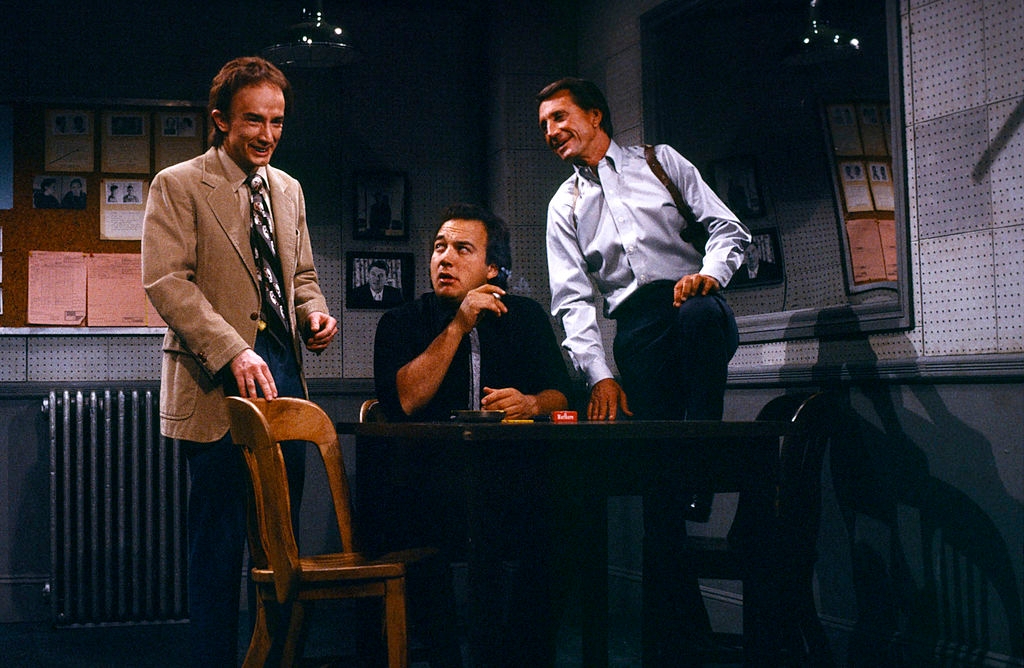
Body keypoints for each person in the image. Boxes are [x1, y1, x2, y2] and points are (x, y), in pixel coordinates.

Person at [537, 77, 751, 666]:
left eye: (560, 117)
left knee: (700, 317)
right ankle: (678, 643)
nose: (552, 131)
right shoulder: (563, 205)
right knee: (660, 500)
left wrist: (709, 275)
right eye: (545, 124)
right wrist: (600, 376)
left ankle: (701, 467)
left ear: (595, 116)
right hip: (637, 332)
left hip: (694, 304)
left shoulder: (661, 162)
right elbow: (572, 300)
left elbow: (728, 228)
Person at [142, 56, 338, 667]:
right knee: (218, 546)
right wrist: (233, 349)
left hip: (283, 379)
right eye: (254, 120)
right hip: (215, 384)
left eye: (277, 121)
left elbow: (301, 277)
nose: (267, 134)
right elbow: (167, 282)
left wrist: (314, 313)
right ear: (221, 119)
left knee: (280, 543)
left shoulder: (289, 190)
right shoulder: (178, 184)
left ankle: (276, 658)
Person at [373, 202, 572, 667]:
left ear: (492, 268)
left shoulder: (525, 317)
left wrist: (531, 403)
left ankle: (520, 656)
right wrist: (459, 325)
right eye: (439, 247)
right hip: (425, 486)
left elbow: (561, 394)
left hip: (508, 483)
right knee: (417, 527)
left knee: (563, 522)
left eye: (463, 249)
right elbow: (405, 400)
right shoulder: (401, 322)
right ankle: (445, 658)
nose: (445, 258)